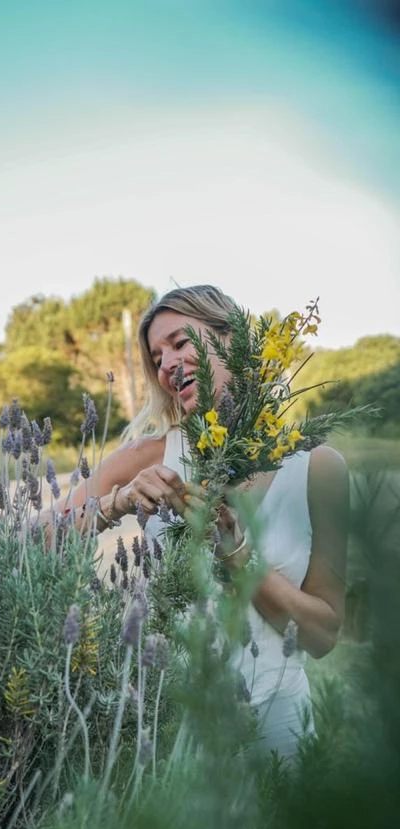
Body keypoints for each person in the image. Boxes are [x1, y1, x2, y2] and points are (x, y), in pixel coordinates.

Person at [56, 284, 349, 759]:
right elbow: (35, 535)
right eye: (157, 358)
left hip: (281, 736)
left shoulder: (319, 468)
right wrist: (119, 501)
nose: (167, 365)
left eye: (180, 343)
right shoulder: (148, 456)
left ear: (233, 340)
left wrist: (238, 557)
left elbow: (323, 636)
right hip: (170, 731)